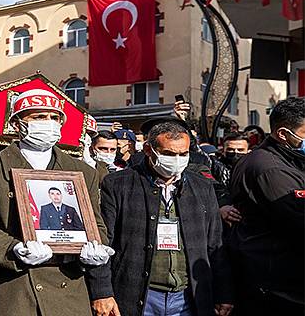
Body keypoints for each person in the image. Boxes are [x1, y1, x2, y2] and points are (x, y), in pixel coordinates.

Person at [0, 88, 113, 316]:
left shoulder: (82, 172)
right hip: (15, 289)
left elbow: (95, 225)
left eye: (54, 118)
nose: (48, 123)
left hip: (68, 289)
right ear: (18, 124)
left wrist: (96, 247)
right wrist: (14, 248)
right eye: (38, 117)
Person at [94, 120, 233, 316]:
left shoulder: (202, 187)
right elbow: (102, 243)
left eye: (183, 154)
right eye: (169, 154)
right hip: (138, 294)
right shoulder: (118, 184)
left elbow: (215, 245)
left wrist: (223, 293)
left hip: (187, 297)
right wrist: (102, 292)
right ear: (149, 150)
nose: (176, 160)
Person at [229, 97, 305, 316]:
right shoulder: (270, 169)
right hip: (274, 283)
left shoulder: (285, 160)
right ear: (283, 134)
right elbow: (298, 221)